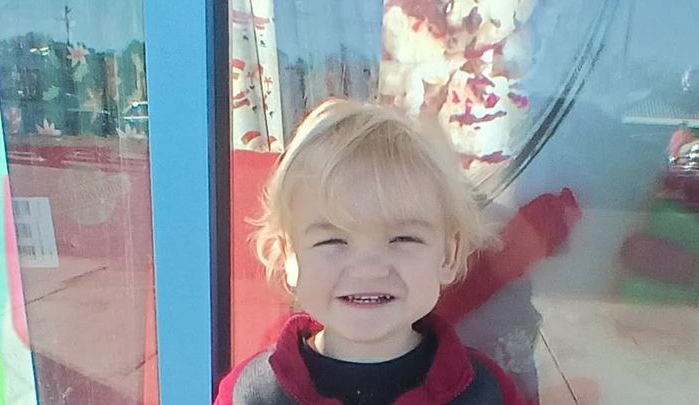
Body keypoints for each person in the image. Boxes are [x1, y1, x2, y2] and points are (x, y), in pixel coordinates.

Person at [215, 98, 527, 405]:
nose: (369, 269)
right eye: (333, 241)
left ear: (448, 255)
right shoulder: (251, 395)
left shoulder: (485, 393)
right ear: (289, 258)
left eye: (402, 238)